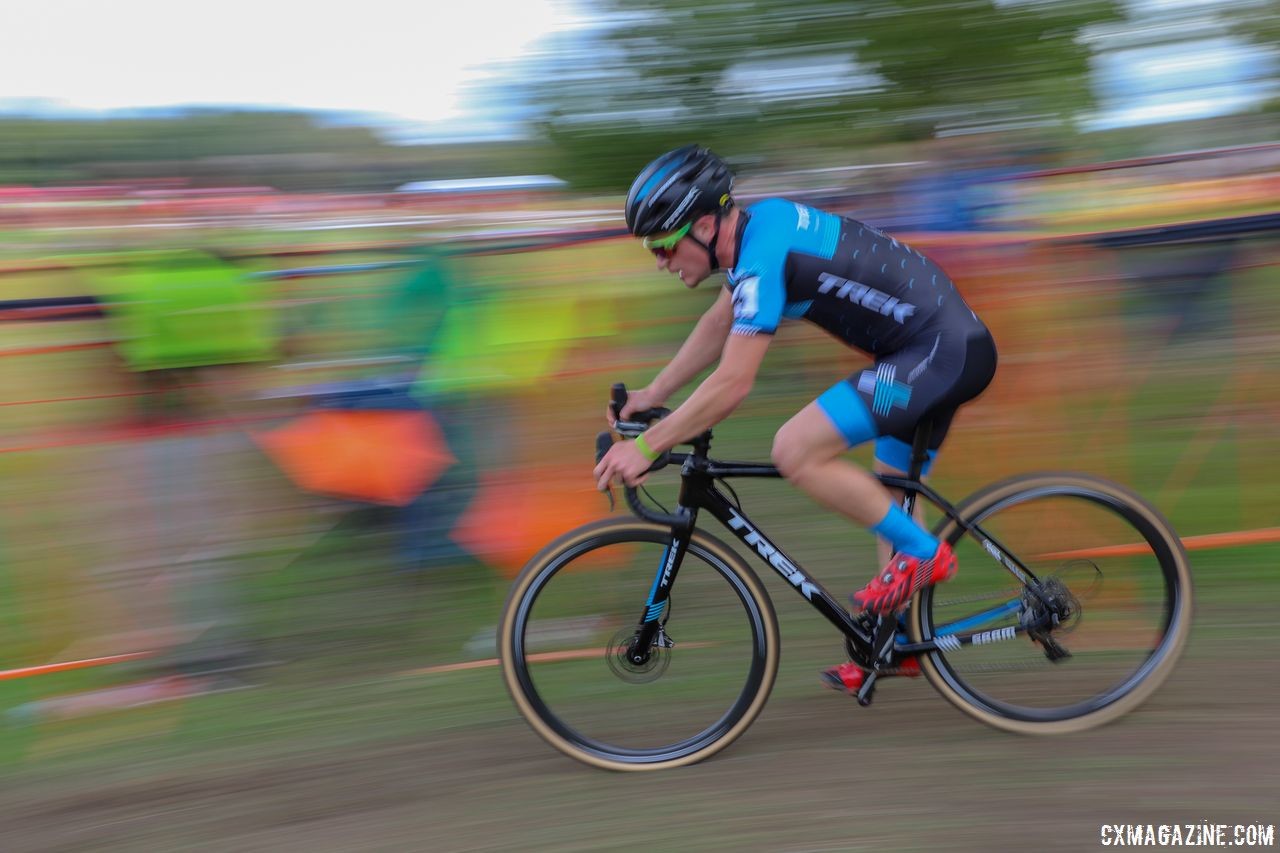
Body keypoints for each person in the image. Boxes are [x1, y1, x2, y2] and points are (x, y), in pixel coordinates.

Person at [593, 145, 998, 694]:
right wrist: (654, 392)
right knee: (889, 497)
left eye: (663, 246)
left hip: (939, 352)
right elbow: (722, 322)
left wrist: (645, 448)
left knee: (795, 448)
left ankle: (925, 556)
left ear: (706, 225)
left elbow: (733, 383)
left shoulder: (762, 254)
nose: (661, 261)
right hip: (934, 349)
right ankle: (897, 642)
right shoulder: (756, 234)